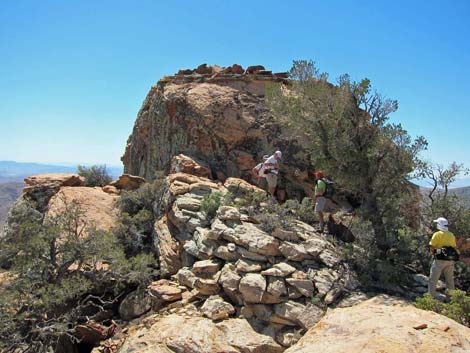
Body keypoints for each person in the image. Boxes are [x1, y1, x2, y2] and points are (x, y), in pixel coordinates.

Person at [428, 217, 458, 300]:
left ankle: (430, 297)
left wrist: (434, 254)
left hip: (439, 259)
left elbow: (432, 246)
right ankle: (451, 299)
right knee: (450, 280)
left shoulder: (437, 234)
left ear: (440, 225)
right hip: (450, 260)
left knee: (433, 278)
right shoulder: (451, 235)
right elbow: (454, 247)